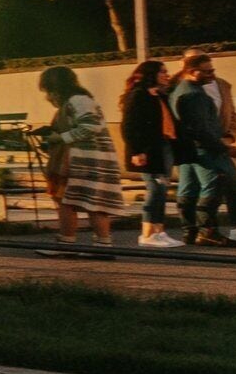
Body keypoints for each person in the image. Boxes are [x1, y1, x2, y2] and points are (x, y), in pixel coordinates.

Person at [170, 52, 236, 247]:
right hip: (206, 150)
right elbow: (201, 128)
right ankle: (207, 231)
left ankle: (190, 231)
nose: (212, 75)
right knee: (216, 184)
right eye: (207, 71)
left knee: (189, 188)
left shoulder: (179, 89)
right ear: (192, 71)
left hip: (191, 150)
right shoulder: (193, 94)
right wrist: (225, 148)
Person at [34, 65, 124, 246]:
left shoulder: (77, 100)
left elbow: (91, 126)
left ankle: (67, 242)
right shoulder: (80, 100)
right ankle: (103, 244)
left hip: (81, 160)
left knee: (67, 201)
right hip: (88, 159)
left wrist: (60, 137)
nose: (47, 96)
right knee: (93, 203)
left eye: (48, 90)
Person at [120, 57, 182, 248]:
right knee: (155, 189)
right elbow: (129, 126)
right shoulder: (138, 95)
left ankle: (159, 231)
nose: (166, 75)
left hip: (163, 146)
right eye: (162, 71)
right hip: (148, 150)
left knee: (162, 189)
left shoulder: (158, 95)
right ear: (151, 74)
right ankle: (147, 234)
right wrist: (137, 151)